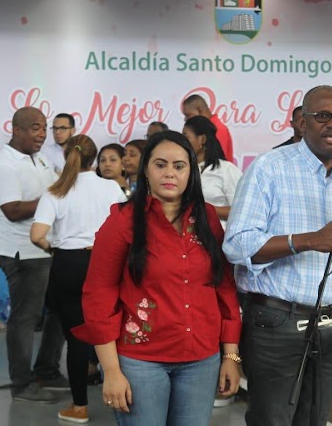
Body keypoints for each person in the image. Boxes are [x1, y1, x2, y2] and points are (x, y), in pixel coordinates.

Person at [224, 85, 332, 426]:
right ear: (301, 122)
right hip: (276, 322)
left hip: (331, 323)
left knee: (315, 420)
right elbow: (237, 245)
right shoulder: (270, 168)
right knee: (273, 420)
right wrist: (309, 240)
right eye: (322, 116)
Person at [72, 131, 241, 425]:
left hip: (201, 359)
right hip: (140, 361)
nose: (170, 174)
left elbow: (223, 287)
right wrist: (110, 370)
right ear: (146, 170)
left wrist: (231, 355)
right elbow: (99, 294)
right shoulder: (122, 221)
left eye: (179, 166)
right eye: (160, 164)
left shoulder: (207, 219)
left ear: (191, 172)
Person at [30, 134, 127, 423]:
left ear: (65, 156)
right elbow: (127, 226)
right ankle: (125, 398)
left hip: (68, 264)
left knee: (76, 340)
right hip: (105, 262)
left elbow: (37, 235)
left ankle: (80, 407)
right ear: (94, 159)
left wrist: (53, 247)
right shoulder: (111, 187)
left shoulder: (55, 191)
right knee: (115, 333)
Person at [0, 106, 67, 404]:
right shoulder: (4, 163)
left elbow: (57, 188)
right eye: (36, 128)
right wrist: (49, 202)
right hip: (22, 252)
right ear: (17, 130)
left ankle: (47, 370)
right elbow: (12, 211)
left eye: (44, 128)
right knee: (25, 318)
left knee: (62, 308)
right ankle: (22, 384)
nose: (42, 134)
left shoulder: (40, 158)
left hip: (47, 248)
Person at [182, 116, 242, 230]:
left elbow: (241, 210)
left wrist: (205, 209)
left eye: (186, 137)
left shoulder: (226, 170)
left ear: (202, 139)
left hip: (219, 238)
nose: (182, 143)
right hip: (187, 237)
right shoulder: (183, 170)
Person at [182, 94, 234, 163]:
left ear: (199, 110)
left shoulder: (218, 129)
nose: (185, 119)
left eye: (188, 115)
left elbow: (218, 159)